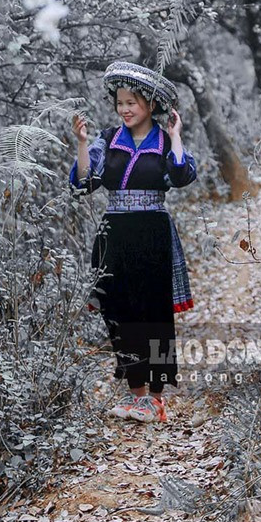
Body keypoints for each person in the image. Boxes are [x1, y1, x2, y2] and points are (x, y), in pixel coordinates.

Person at [69, 59, 196, 424]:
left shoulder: (161, 140)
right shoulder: (107, 140)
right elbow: (84, 182)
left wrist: (175, 137)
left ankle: (155, 400)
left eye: (132, 103)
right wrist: (80, 144)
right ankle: (135, 395)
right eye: (120, 103)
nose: (125, 109)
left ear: (150, 105)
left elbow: (182, 174)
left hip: (152, 232)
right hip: (115, 233)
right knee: (120, 313)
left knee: (152, 313)